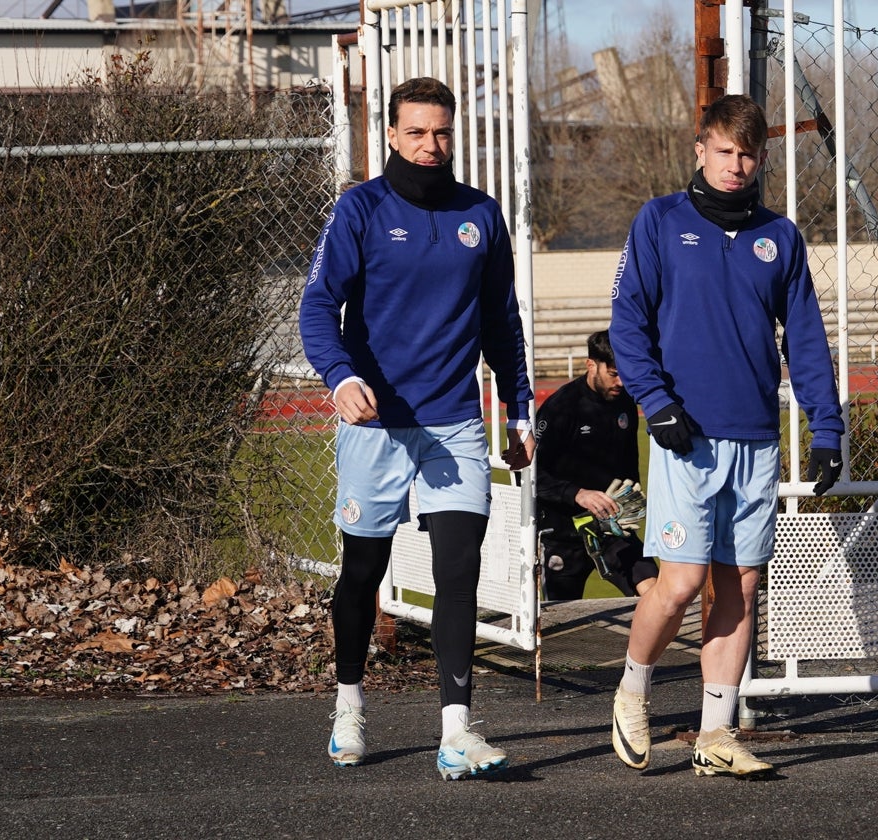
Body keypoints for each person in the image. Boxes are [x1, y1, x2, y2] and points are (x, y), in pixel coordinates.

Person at [298, 76, 535, 780]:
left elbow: (501, 322)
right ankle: (348, 703)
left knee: (458, 568)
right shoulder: (360, 210)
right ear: (393, 136)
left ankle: (457, 732)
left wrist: (519, 408)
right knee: (363, 569)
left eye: (442, 132)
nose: (431, 145)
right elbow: (318, 307)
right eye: (418, 133)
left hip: (455, 422)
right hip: (376, 425)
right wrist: (341, 379)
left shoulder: (480, 216)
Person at [607, 94, 844, 777]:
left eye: (748, 155)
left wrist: (824, 429)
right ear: (700, 148)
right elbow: (628, 324)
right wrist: (656, 402)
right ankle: (632, 690)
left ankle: (716, 733)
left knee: (740, 583)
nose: (736, 166)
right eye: (724, 151)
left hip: (755, 437)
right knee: (679, 584)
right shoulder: (659, 222)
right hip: (684, 434)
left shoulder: (780, 237)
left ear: (762, 158)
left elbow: (805, 340)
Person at [534, 329, 658, 600]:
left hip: (611, 528)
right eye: (614, 373)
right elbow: (530, 475)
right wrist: (578, 494)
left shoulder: (624, 402)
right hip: (563, 534)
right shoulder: (560, 408)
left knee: (655, 595)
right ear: (591, 364)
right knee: (562, 621)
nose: (622, 382)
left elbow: (628, 462)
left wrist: (630, 502)